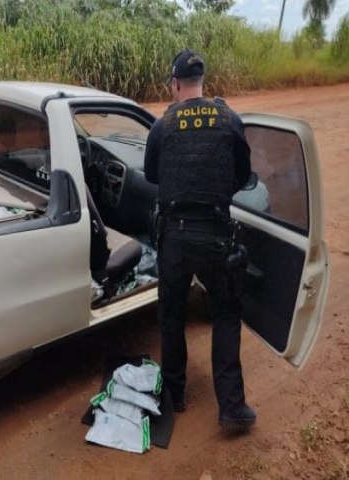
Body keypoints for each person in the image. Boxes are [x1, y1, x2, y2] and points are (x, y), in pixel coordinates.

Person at [144, 49, 256, 431]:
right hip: (216, 238)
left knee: (172, 317)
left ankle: (174, 396)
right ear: (202, 82)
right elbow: (243, 175)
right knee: (226, 314)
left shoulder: (163, 126)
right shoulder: (229, 119)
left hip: (173, 239)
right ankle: (231, 407)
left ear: (175, 84)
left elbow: (152, 175)